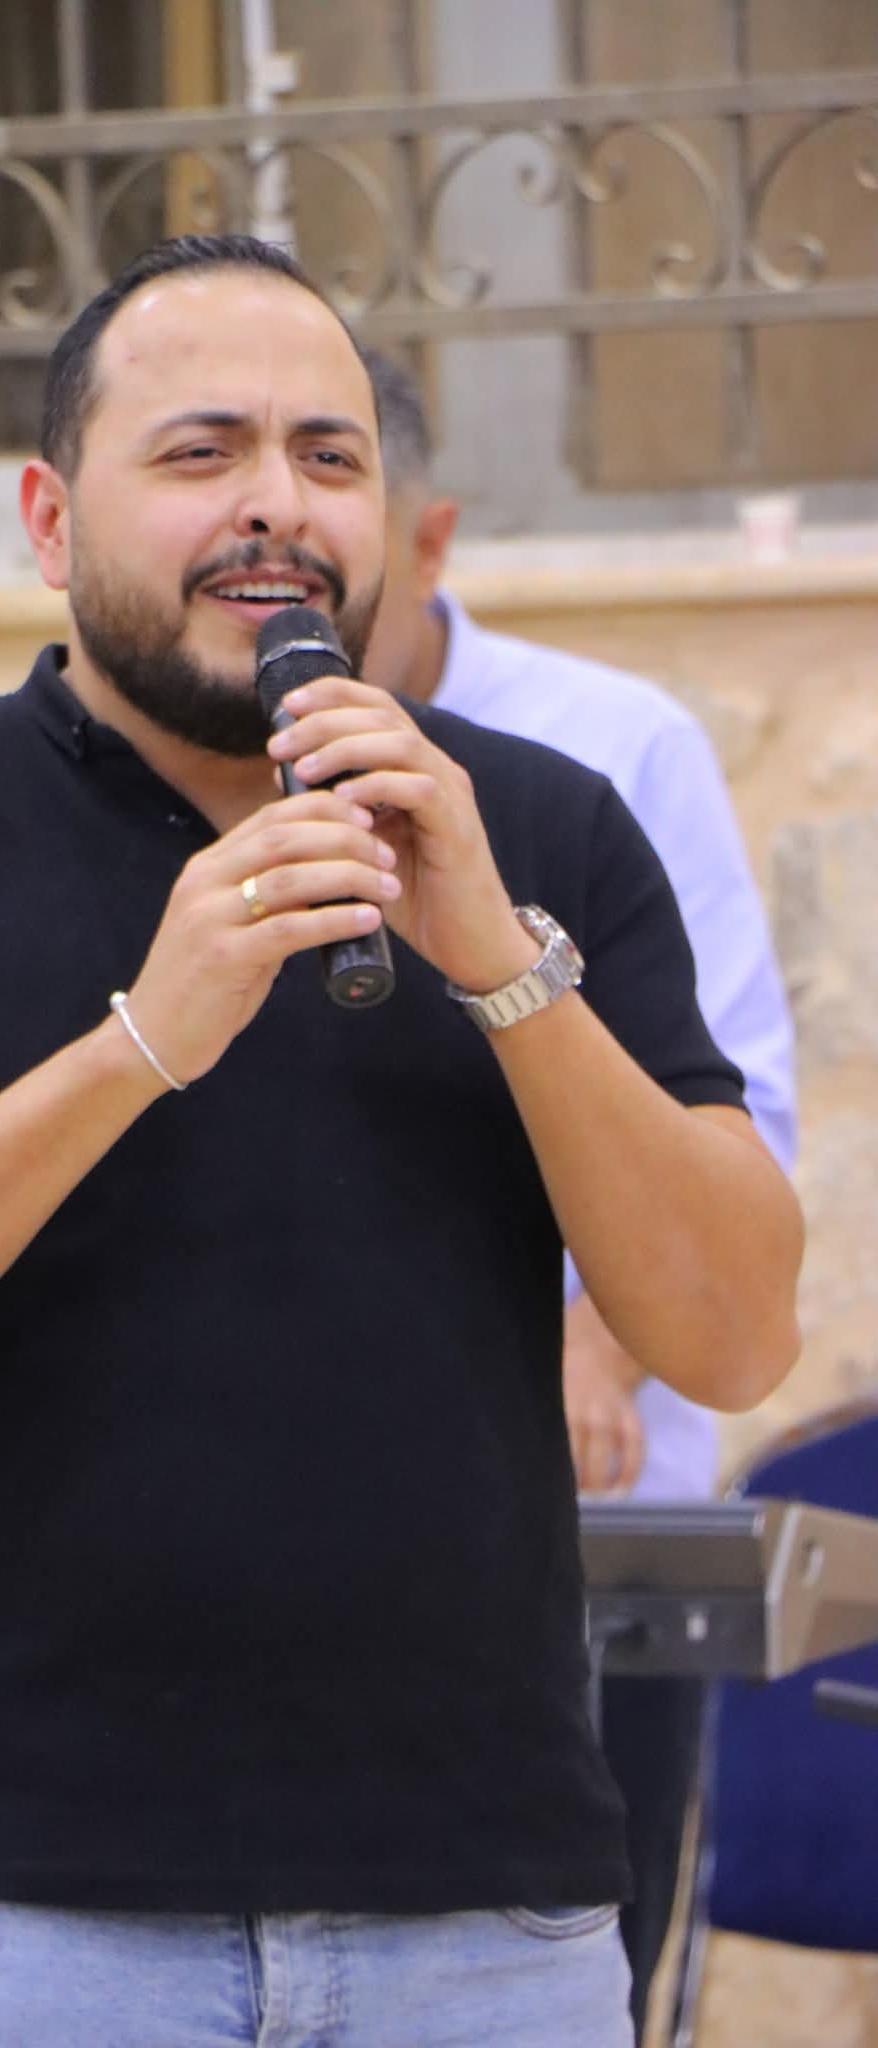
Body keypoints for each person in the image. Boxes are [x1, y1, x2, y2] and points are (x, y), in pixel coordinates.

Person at [0, 234, 803, 2048]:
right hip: (15, 1924)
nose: (275, 504)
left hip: (484, 1923)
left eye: (327, 456)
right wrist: (140, 1042)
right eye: (200, 452)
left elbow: (734, 1334)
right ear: (48, 521)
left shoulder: (543, 830)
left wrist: (500, 966)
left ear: (393, 519)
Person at [360, 348, 798, 2042]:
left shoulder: (614, 750)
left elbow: (731, 1117)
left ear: (429, 535)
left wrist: (592, 1350)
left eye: (337, 490)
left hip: (581, 1559)